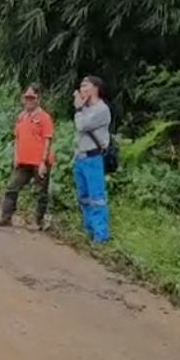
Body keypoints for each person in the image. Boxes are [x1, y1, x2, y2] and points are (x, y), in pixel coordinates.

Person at [0, 85, 54, 230]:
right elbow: (17, 138)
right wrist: (16, 157)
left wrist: (43, 162)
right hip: (23, 161)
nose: (29, 100)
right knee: (12, 187)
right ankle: (6, 217)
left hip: (39, 162)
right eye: (27, 97)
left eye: (32, 97)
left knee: (41, 192)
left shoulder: (44, 118)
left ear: (38, 98)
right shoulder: (21, 116)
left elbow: (47, 140)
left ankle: (38, 221)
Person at [73, 75, 112, 243]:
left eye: (85, 85)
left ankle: (101, 236)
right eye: (81, 86)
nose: (82, 89)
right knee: (84, 197)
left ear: (95, 88)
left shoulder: (101, 109)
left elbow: (82, 125)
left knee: (97, 198)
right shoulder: (85, 108)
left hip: (93, 158)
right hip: (80, 158)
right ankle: (89, 230)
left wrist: (78, 109)